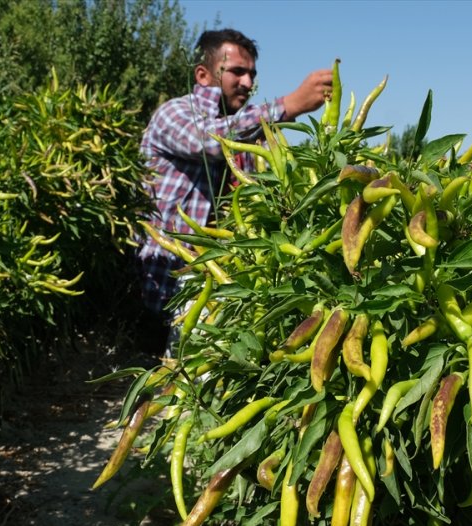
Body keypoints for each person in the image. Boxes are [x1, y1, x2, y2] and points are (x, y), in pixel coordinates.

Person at [136, 28, 334, 354]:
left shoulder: (248, 140)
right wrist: (288, 106)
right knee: (159, 384)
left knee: (187, 384)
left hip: (210, 283)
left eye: (252, 74)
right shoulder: (175, 113)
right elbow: (207, 140)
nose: (247, 82)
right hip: (164, 277)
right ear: (203, 74)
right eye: (237, 72)